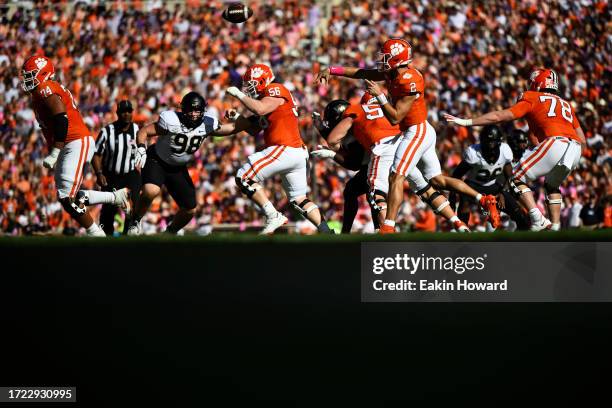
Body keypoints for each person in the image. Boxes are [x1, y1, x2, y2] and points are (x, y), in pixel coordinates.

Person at [314, 38, 500, 234]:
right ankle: (483, 199)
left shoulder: (408, 80)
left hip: (415, 131)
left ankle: (388, 227)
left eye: (386, 57)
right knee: (436, 181)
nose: (382, 60)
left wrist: (380, 96)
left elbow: (395, 118)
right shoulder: (395, 74)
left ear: (397, 59)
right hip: (415, 132)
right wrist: (332, 70)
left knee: (396, 177)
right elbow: (363, 73)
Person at [444, 67, 586, 231]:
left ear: (537, 83)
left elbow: (501, 116)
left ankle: (537, 218)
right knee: (551, 186)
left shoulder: (532, 96)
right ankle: (555, 227)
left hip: (555, 143)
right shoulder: (566, 104)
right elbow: (582, 139)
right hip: (575, 148)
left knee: (514, 177)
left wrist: (466, 122)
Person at [21, 55, 129, 237]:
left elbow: (61, 119)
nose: (27, 79)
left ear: (43, 74)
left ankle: (96, 235)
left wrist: (55, 151)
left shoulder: (45, 88)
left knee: (65, 197)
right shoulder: (38, 95)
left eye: (32, 74)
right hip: (72, 143)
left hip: (74, 141)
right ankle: (116, 197)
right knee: (71, 196)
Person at [226, 64, 333, 234]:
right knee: (299, 199)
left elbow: (259, 108)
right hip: (296, 152)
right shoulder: (268, 99)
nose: (249, 89)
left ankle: (272, 215)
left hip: (285, 148)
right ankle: (327, 232)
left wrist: (239, 95)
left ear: (263, 81)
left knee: (243, 176)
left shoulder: (275, 89)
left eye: (252, 85)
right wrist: (237, 117)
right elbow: (254, 129)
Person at [311, 99, 375, 233]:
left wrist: (331, 155)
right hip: (370, 165)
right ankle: (346, 232)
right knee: (351, 190)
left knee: (371, 194)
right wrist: (320, 128)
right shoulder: (351, 126)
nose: (332, 125)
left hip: (376, 164)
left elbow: (354, 164)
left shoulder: (355, 131)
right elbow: (335, 138)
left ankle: (380, 229)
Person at [450, 125, 528, 230]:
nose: (490, 145)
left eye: (493, 142)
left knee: (519, 214)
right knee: (464, 202)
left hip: (493, 186)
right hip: (473, 186)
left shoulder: (505, 151)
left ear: (499, 142)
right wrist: (453, 197)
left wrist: (503, 191)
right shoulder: (473, 153)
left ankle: (523, 239)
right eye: (488, 142)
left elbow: (509, 176)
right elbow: (456, 176)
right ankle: (463, 233)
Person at [91, 100, 141, 235]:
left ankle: (128, 236)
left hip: (131, 175)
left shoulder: (137, 130)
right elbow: (95, 153)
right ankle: (106, 238)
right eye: (123, 112)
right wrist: (99, 173)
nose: (126, 114)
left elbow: (142, 151)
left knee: (134, 206)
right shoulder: (108, 131)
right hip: (111, 176)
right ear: (118, 113)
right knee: (108, 210)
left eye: (129, 111)